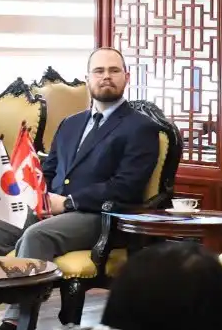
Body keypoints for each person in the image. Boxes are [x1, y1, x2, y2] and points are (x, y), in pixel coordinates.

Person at [10, 46, 161, 266]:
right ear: (87, 79)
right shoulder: (69, 123)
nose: (106, 76)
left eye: (114, 70)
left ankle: (27, 292)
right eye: (99, 71)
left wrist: (69, 203)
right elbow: (48, 171)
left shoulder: (141, 127)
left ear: (127, 77)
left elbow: (126, 186)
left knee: (37, 236)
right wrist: (39, 199)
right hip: (52, 209)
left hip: (99, 216)